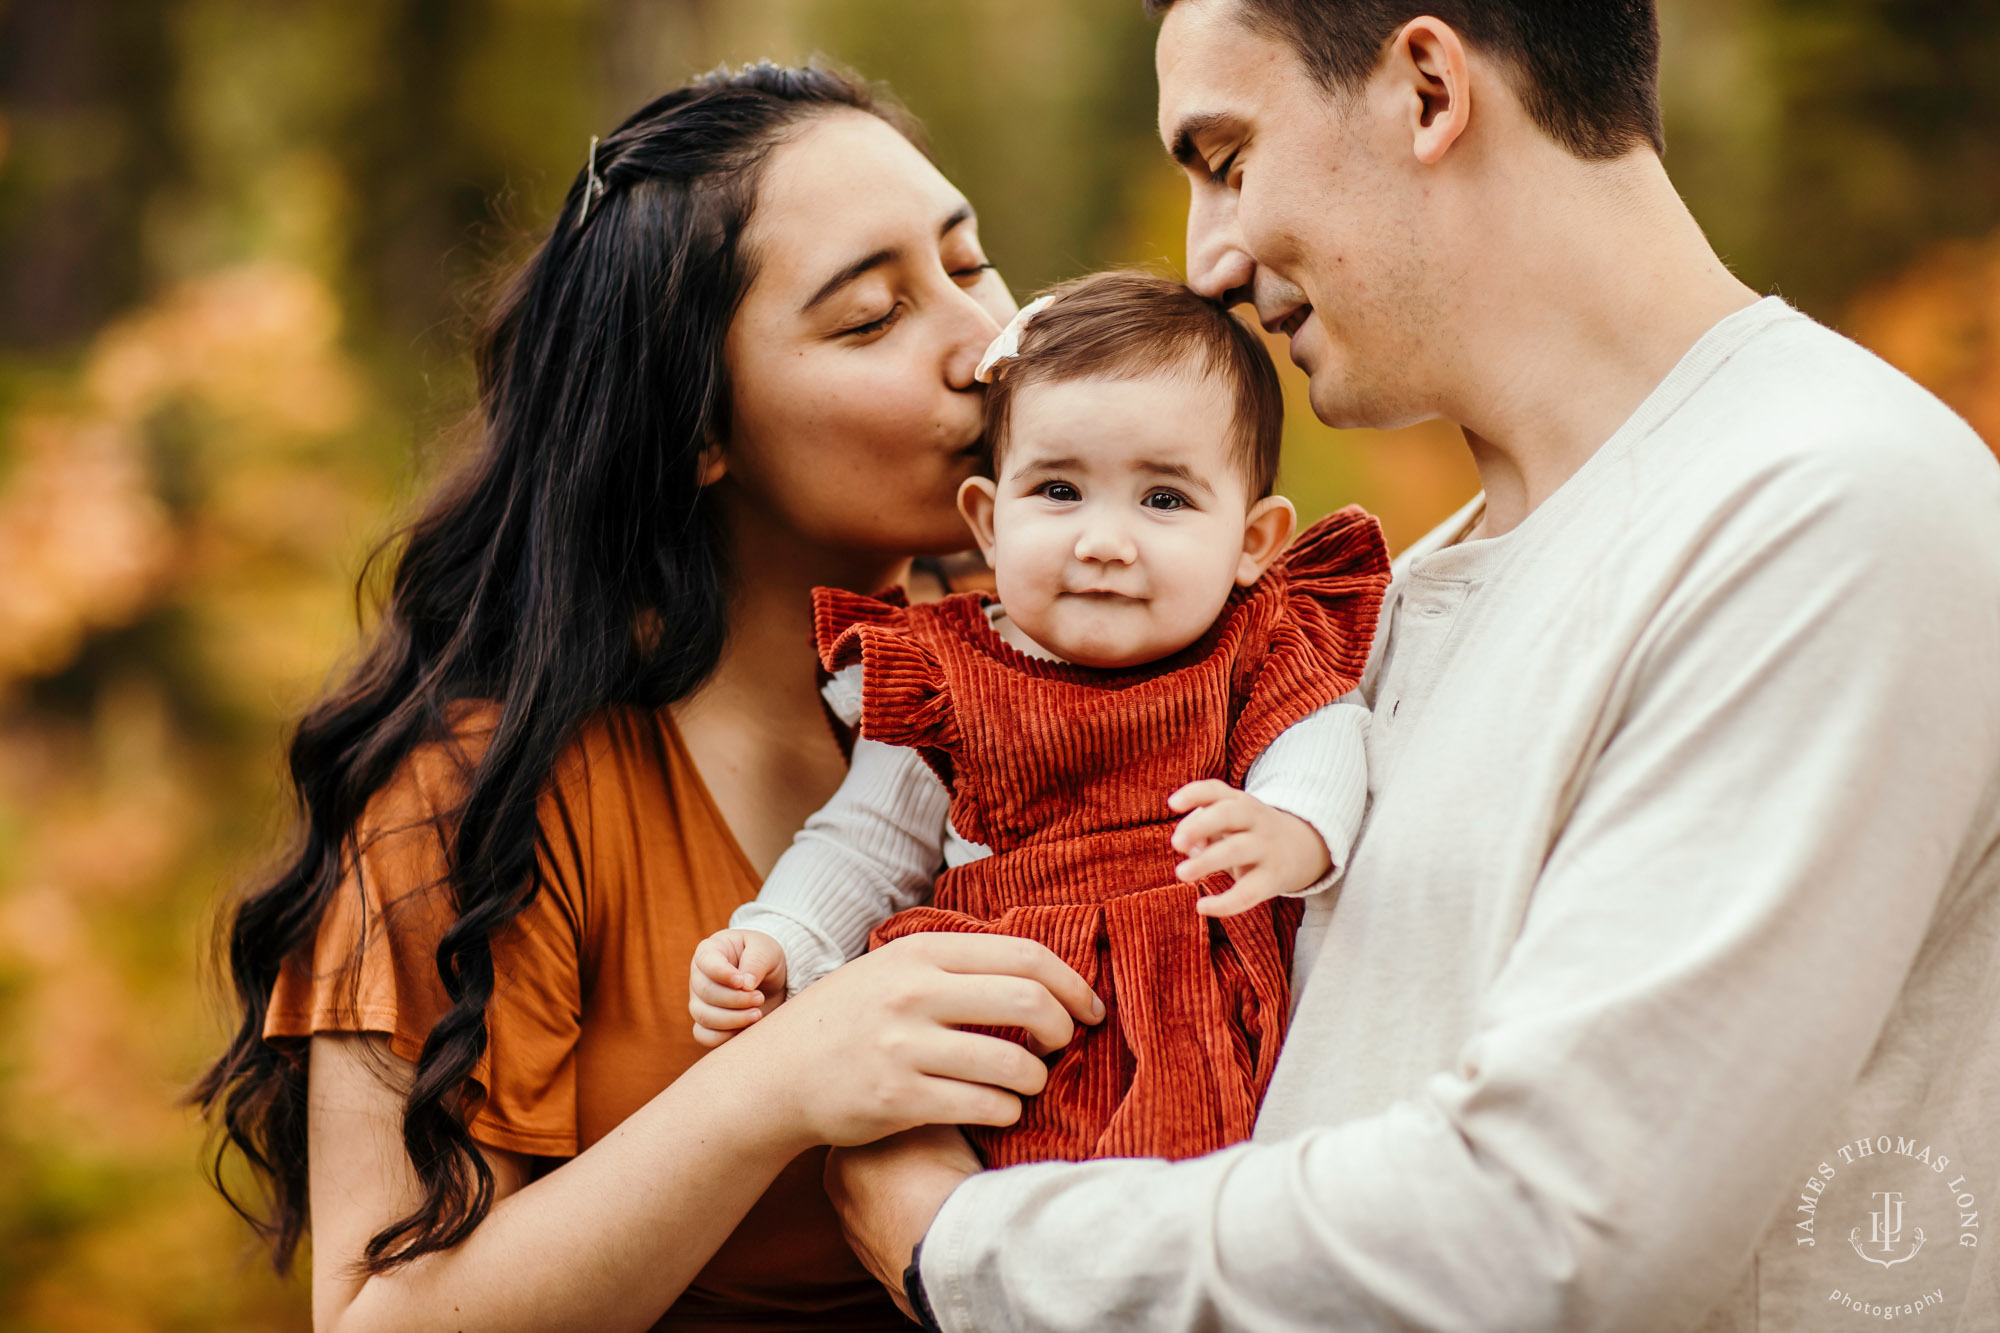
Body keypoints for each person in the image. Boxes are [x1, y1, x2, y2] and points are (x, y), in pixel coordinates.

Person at [826, 3, 2000, 1330]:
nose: (1207, 260)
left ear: (1428, 91)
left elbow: (1554, 1227)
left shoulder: (1827, 513)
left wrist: (969, 1243)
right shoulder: (1403, 592)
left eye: (1225, 159)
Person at [193, 63, 1108, 1332]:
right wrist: (776, 1082)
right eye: (870, 318)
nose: (986, 346)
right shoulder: (472, 798)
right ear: (695, 428)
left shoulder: (1062, 675)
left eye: (970, 263)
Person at [688, 270, 1391, 1168]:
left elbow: (1322, 731)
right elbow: (861, 845)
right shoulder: (949, 675)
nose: (1102, 539)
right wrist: (779, 938)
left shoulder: (1256, 648)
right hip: (1001, 1051)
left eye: (1164, 499)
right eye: (1059, 490)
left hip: (1202, 1026)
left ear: (1252, 541)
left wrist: (1291, 827)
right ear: (987, 522)